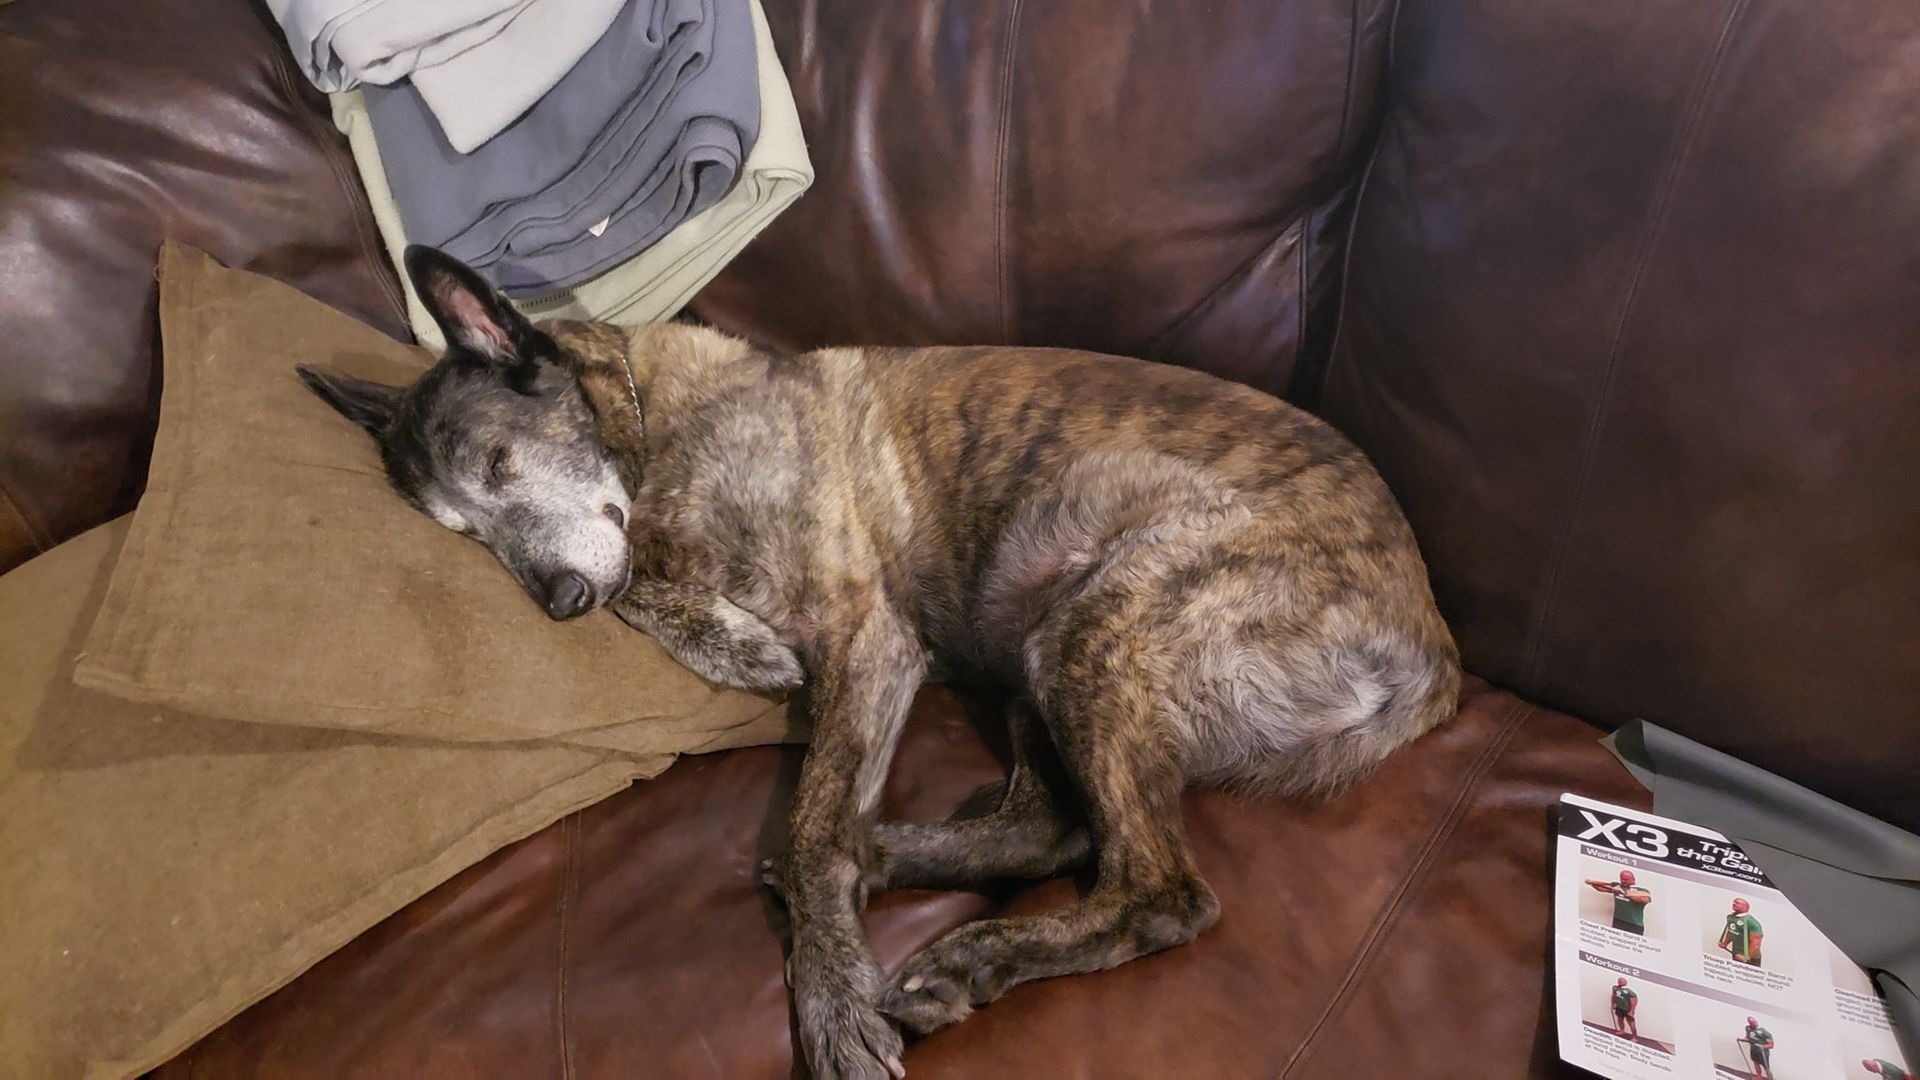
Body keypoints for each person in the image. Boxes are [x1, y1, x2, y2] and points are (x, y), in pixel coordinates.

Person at [1586, 868, 1654, 935]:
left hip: (1634, 924)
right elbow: (1600, 888)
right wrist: (1591, 883)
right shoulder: (1617, 886)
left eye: (1626, 879)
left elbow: (1645, 900)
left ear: (1633, 879)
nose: (1623, 881)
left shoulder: (1642, 890)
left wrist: (1624, 893)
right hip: (1618, 920)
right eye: (1622, 879)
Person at [1719, 897, 1765, 966]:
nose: (1734, 904)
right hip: (1736, 954)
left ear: (1745, 907)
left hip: (1751, 958)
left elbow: (1756, 944)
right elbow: (1731, 931)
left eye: (1737, 903)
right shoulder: (1731, 917)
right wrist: (1725, 943)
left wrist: (1746, 957)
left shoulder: (1752, 923)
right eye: (1734, 902)